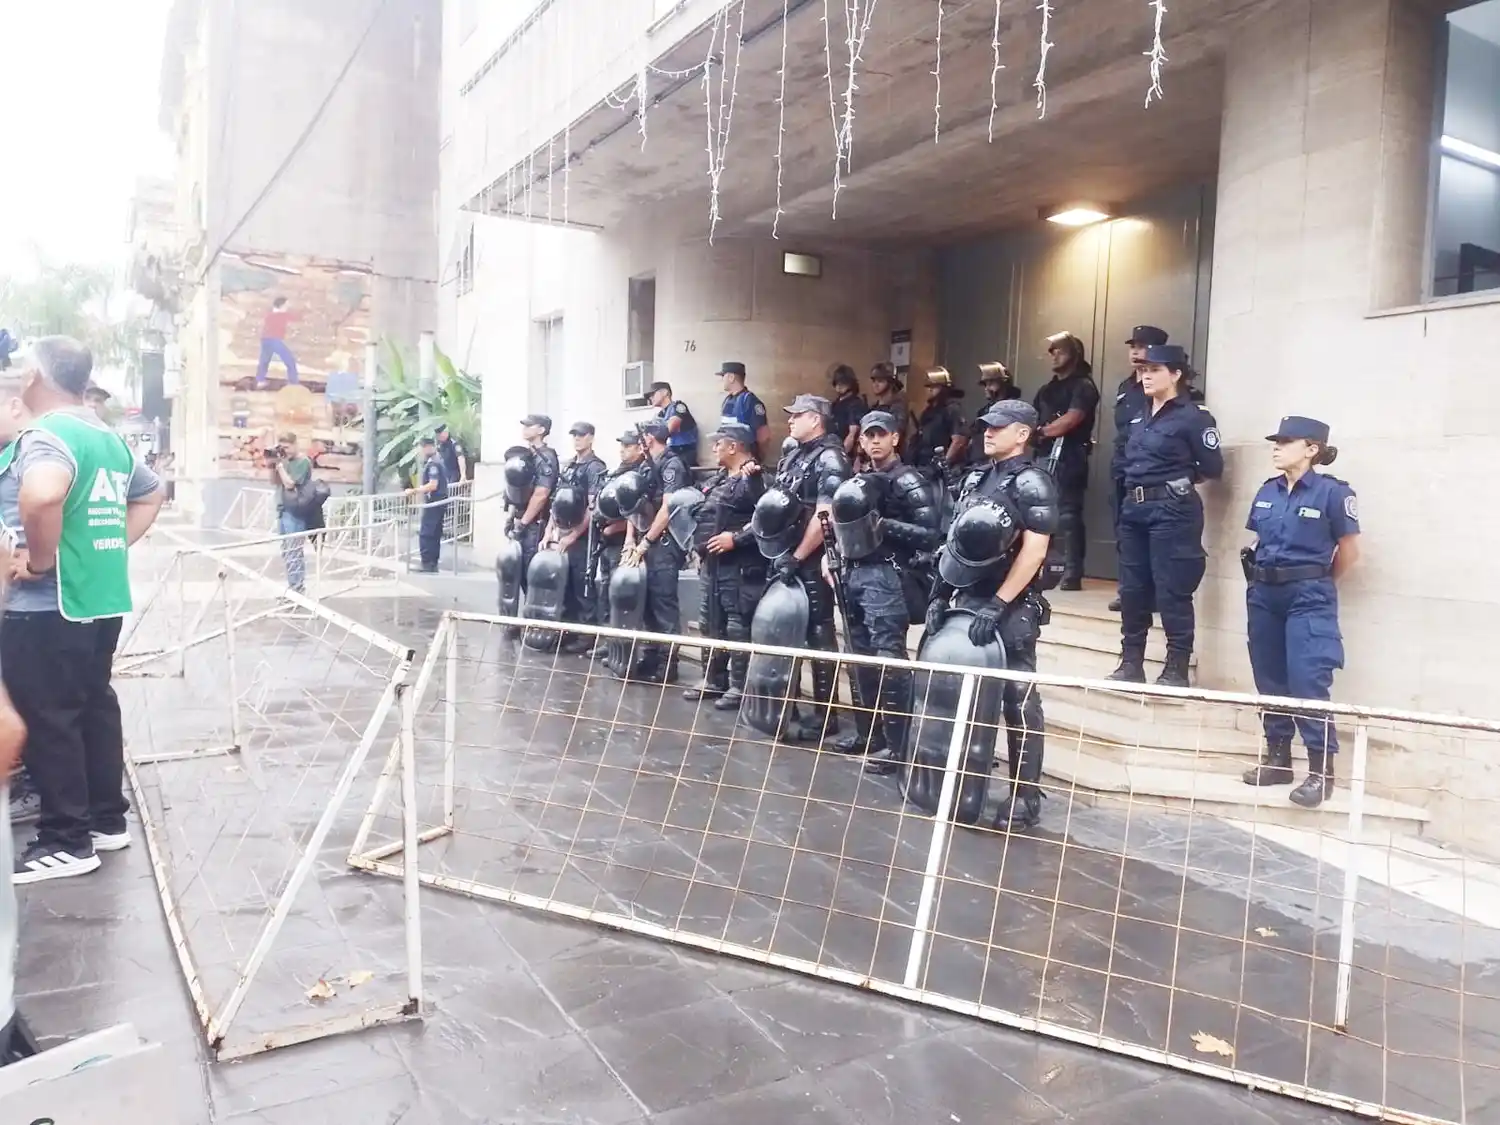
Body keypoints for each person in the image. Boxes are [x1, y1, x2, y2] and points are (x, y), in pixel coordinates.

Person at [2, 337, 163, 882]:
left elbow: (41, 495)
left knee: (51, 718)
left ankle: (66, 840)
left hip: (48, 606)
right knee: (93, 706)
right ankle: (105, 820)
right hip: (98, 600)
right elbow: (151, 494)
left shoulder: (47, 434)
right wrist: (105, 547)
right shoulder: (105, 435)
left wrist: (41, 560)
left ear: (34, 377)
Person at [933, 399, 1060, 828]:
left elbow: (1034, 551)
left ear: (1022, 434)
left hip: (1011, 605)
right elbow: (954, 542)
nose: (987, 432)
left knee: (1018, 698)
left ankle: (1025, 796)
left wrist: (1000, 603)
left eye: (998, 427)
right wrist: (940, 594)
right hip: (969, 597)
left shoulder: (1033, 482)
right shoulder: (977, 477)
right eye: (987, 426)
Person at [1240, 416, 1360, 808]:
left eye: (1286, 441)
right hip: (1264, 593)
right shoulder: (1267, 490)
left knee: (1308, 680)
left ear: (1311, 449)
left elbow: (1350, 552)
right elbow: (1259, 539)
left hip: (1308, 594)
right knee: (1269, 676)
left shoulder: (1332, 493)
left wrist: (1319, 584)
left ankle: (1321, 771)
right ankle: (1277, 758)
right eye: (1276, 441)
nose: (1276, 447)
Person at [830, 410, 942, 771]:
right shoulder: (859, 478)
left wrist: (884, 525)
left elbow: (930, 534)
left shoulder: (908, 479)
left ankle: (898, 746)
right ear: (861, 440)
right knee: (858, 657)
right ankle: (869, 734)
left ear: (895, 438)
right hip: (854, 573)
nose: (875, 441)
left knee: (888, 660)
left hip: (889, 576)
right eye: (869, 435)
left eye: (881, 435)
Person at [1110, 344, 1223, 688]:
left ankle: (1176, 668)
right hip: (1134, 508)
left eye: (1154, 370)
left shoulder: (1194, 417)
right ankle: (1131, 663)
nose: (1146, 376)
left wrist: (1176, 483)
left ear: (1175, 374)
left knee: (1172, 590)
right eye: (1143, 370)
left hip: (1172, 510)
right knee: (1132, 590)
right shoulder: (1138, 413)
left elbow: (1212, 467)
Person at [760, 394, 851, 741]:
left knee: (818, 634)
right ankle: (788, 704)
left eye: (797, 415)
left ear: (815, 419)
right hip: (785, 553)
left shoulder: (830, 457)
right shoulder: (795, 455)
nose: (790, 420)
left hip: (811, 559)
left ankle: (826, 715)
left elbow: (824, 515)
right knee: (786, 628)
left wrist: (797, 557)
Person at [683, 421, 766, 710]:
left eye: (719, 443)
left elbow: (766, 520)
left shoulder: (755, 478)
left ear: (734, 446)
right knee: (710, 622)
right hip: (713, 565)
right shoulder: (720, 479)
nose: (714, 447)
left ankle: (738, 686)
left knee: (736, 624)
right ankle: (713, 678)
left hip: (738, 566)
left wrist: (736, 539)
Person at [623, 420, 691, 681]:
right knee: (647, 603)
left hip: (664, 542)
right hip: (645, 539)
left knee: (663, 604)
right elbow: (634, 503)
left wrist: (646, 541)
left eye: (642, 436)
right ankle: (650, 657)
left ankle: (667, 663)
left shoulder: (672, 464)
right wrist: (631, 539)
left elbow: (668, 508)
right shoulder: (645, 465)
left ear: (649, 438)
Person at [1033, 332, 1101, 591]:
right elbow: (1033, 418)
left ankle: (1072, 572)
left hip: (1070, 454)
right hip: (1043, 454)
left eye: (1059, 350)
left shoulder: (1083, 386)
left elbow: (1071, 419)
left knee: (1068, 514)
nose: (1053, 355)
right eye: (1051, 351)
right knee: (1039, 512)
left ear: (1074, 354)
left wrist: (1042, 432)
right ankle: (1040, 567)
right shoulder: (1046, 390)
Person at [1107, 327, 1168, 612]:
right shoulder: (1126, 386)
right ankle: (1129, 590)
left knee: (1153, 536)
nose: (1135, 351)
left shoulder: (1164, 385)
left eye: (1142, 346)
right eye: (1133, 346)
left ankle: (1153, 594)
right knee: (1124, 531)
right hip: (1123, 467)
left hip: (1150, 471)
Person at [549, 421, 609, 651]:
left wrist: (573, 536)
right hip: (564, 532)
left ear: (591, 438)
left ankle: (586, 635)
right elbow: (557, 501)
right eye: (574, 435)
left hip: (584, 537)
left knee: (583, 585)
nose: (577, 439)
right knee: (566, 586)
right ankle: (568, 632)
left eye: (581, 435)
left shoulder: (595, 467)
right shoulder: (570, 465)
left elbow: (592, 509)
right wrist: (550, 531)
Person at [514, 413, 560, 586]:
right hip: (522, 520)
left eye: (529, 425)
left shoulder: (546, 457)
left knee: (530, 572)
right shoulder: (528, 455)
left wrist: (523, 523)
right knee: (519, 572)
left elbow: (542, 493)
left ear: (541, 430)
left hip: (535, 524)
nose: (524, 428)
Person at [268, 430, 315, 594]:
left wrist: (281, 466)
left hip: (295, 512)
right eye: (282, 448)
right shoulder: (284, 461)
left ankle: (297, 588)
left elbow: (289, 484)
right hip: (282, 509)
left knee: (294, 551)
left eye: (287, 448)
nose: (285, 451)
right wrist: (272, 465)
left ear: (295, 445)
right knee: (286, 551)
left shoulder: (303, 462)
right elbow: (274, 482)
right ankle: (293, 586)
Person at [910, 367, 968, 488]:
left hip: (941, 472)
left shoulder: (952, 409)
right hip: (924, 466)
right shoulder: (928, 412)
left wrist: (942, 464)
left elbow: (959, 441)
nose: (930, 390)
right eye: (928, 387)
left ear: (944, 388)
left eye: (934, 386)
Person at [966, 362, 1021, 466]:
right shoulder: (984, 411)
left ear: (1003, 384)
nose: (986, 388)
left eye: (991, 383)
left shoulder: (1013, 409)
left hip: (997, 465)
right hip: (977, 464)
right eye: (985, 384)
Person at [410, 435, 448, 572]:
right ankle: (432, 563)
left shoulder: (433, 464)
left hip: (434, 503)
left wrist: (414, 491)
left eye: (421, 448)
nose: (420, 452)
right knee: (435, 534)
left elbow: (433, 485)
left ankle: (427, 563)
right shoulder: (438, 460)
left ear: (427, 447)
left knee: (427, 533)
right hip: (440, 502)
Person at [717, 361, 771, 457]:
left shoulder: (750, 401)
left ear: (731, 377)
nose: (721, 380)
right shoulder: (728, 400)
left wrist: (756, 457)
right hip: (730, 456)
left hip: (745, 458)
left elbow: (763, 435)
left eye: (723, 376)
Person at [649, 380, 699, 468]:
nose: (650, 398)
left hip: (684, 453)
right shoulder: (660, 414)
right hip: (671, 453)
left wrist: (653, 430)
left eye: (653, 394)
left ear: (665, 392)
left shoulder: (678, 406)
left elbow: (670, 429)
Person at [255, 296, 301, 388]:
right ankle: (293, 382)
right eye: (286, 304)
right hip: (274, 340)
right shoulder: (283, 315)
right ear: (282, 305)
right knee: (290, 360)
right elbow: (297, 318)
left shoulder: (269, 315)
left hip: (265, 340)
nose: (288, 306)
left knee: (264, 361)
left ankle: (260, 380)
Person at [867, 363, 908, 455]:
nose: (876, 384)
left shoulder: (898, 406)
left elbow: (897, 432)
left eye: (880, 381)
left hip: (892, 455)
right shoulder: (874, 407)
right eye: (874, 381)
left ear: (889, 383)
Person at [827, 364, 866, 460]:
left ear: (850, 384)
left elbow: (852, 435)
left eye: (843, 382)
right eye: (837, 382)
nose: (839, 385)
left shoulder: (855, 404)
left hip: (848, 455)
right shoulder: (835, 404)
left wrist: (841, 457)